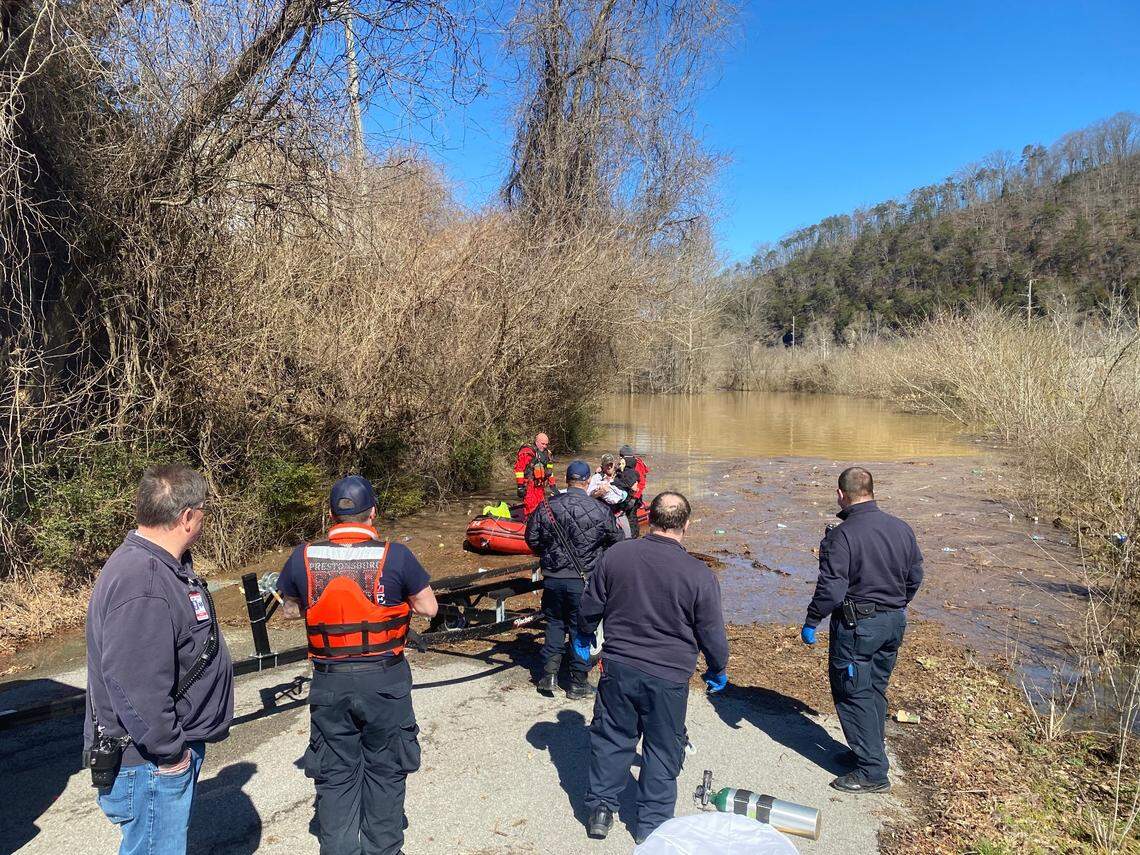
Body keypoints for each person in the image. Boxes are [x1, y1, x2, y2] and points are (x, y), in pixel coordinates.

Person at [277, 475, 439, 855]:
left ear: (332, 515)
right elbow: (429, 608)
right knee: (386, 770)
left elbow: (289, 611)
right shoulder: (396, 555)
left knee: (334, 774)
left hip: (329, 683)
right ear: (373, 513)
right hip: (385, 681)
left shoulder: (302, 556)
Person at [85, 464, 235, 855]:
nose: (203, 521)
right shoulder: (144, 579)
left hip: (156, 756)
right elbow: (135, 684)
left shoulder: (160, 566)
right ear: (187, 517)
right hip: (150, 762)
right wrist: (171, 752)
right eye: (202, 513)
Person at [575, 492, 728, 844]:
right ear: (686, 525)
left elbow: (591, 604)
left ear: (649, 518)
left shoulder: (617, 555)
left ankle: (600, 809)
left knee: (612, 736)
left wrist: (584, 633)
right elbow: (711, 631)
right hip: (668, 675)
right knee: (662, 747)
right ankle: (653, 826)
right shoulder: (699, 574)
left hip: (620, 666)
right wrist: (717, 667)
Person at [800, 467, 924, 794]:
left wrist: (812, 620)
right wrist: (896, 605)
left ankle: (872, 771)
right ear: (871, 490)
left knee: (852, 692)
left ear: (841, 494)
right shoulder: (901, 528)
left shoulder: (843, 535)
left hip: (859, 627)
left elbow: (832, 588)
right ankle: (867, 751)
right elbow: (915, 576)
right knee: (873, 689)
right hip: (893, 623)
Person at [524, 460, 623, 698]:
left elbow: (531, 538)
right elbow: (617, 540)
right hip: (583, 579)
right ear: (587, 481)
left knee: (554, 624)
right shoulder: (600, 509)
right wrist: (598, 558)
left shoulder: (547, 506)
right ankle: (578, 682)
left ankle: (548, 676)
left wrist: (548, 554)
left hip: (553, 577)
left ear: (567, 480)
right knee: (581, 628)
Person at [587, 452, 632, 538]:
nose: (609, 467)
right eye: (607, 465)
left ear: (614, 464)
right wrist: (600, 492)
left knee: (628, 537)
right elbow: (588, 496)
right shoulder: (597, 478)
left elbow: (629, 491)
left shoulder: (620, 475)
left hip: (619, 513)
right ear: (602, 466)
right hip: (604, 515)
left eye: (611, 464)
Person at [514, 432, 556, 519]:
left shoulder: (548, 454)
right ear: (536, 442)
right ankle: (529, 523)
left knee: (542, 507)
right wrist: (520, 486)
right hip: (530, 486)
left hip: (540, 487)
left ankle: (539, 523)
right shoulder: (527, 452)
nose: (544, 446)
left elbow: (550, 472)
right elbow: (519, 470)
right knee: (531, 509)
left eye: (546, 444)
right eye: (542, 444)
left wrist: (553, 486)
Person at [615, 445, 649, 538]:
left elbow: (641, 483)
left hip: (634, 495)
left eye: (620, 456)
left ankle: (633, 536)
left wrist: (634, 498)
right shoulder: (631, 463)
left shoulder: (636, 465)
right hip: (628, 494)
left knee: (631, 516)